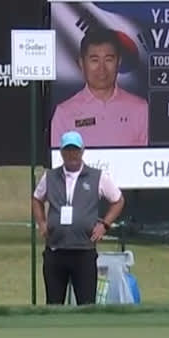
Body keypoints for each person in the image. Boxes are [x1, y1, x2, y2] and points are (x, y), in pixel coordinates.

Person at [33, 131, 125, 306]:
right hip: (56, 250)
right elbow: (37, 199)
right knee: (53, 304)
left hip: (83, 251)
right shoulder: (50, 177)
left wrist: (104, 225)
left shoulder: (97, 176)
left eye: (75, 150)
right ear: (61, 152)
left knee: (86, 304)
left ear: (82, 151)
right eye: (67, 150)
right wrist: (42, 223)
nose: (71, 155)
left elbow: (118, 200)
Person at [49, 29, 149, 148]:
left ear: (119, 62)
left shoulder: (140, 108)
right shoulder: (64, 113)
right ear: (82, 63)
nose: (102, 69)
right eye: (94, 60)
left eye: (108, 60)